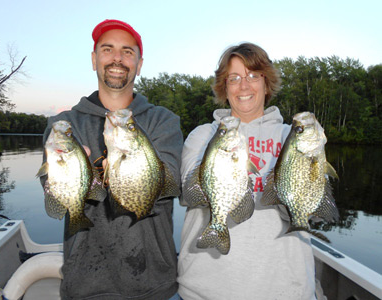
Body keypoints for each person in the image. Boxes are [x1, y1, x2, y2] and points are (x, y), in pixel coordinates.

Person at [41, 19, 183, 300]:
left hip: (154, 284)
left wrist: (131, 168)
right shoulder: (63, 126)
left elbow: (169, 183)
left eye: (128, 51)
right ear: (94, 60)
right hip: (84, 285)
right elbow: (55, 196)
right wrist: (78, 172)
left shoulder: (163, 120)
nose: (117, 58)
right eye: (108, 49)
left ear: (139, 64)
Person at [177, 43, 316, 299]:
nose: (244, 86)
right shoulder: (203, 136)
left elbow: (311, 211)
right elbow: (189, 195)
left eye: (253, 76)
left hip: (285, 290)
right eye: (234, 78)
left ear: (266, 83)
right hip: (206, 290)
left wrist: (313, 151)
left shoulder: (292, 137)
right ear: (224, 87)